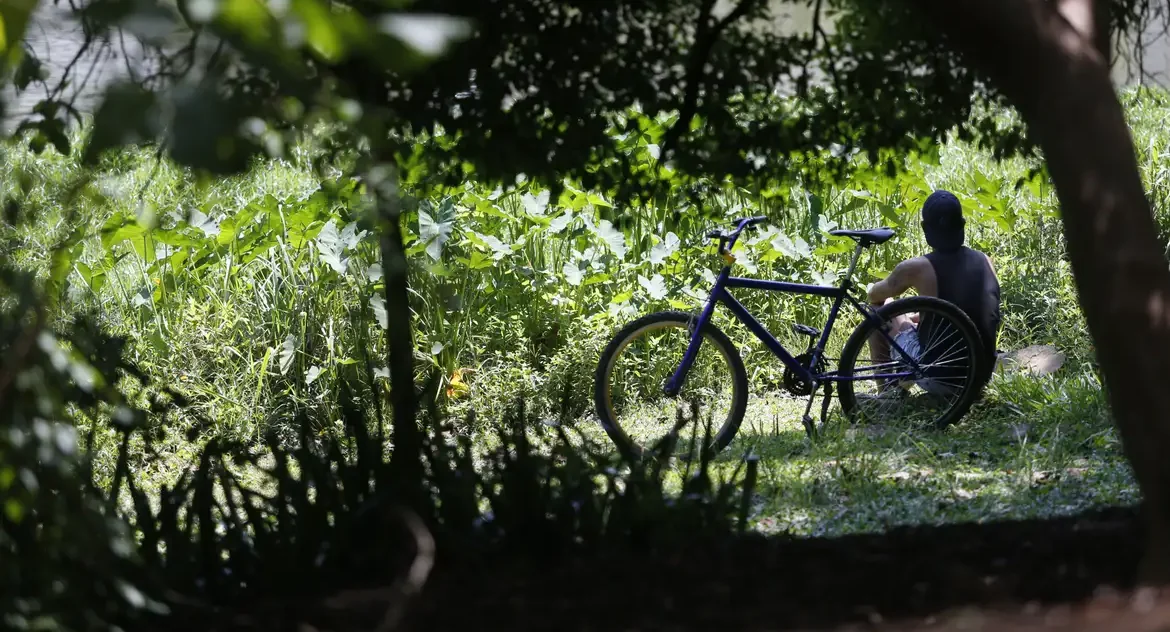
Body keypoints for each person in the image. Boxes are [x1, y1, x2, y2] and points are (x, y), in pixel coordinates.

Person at [864, 189, 1002, 396]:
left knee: (876, 311)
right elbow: (970, 309)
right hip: (979, 375)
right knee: (911, 316)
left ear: (925, 228)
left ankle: (887, 394)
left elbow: (875, 296)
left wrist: (876, 289)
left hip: (939, 377)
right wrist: (920, 316)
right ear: (962, 225)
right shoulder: (985, 261)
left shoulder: (917, 267)